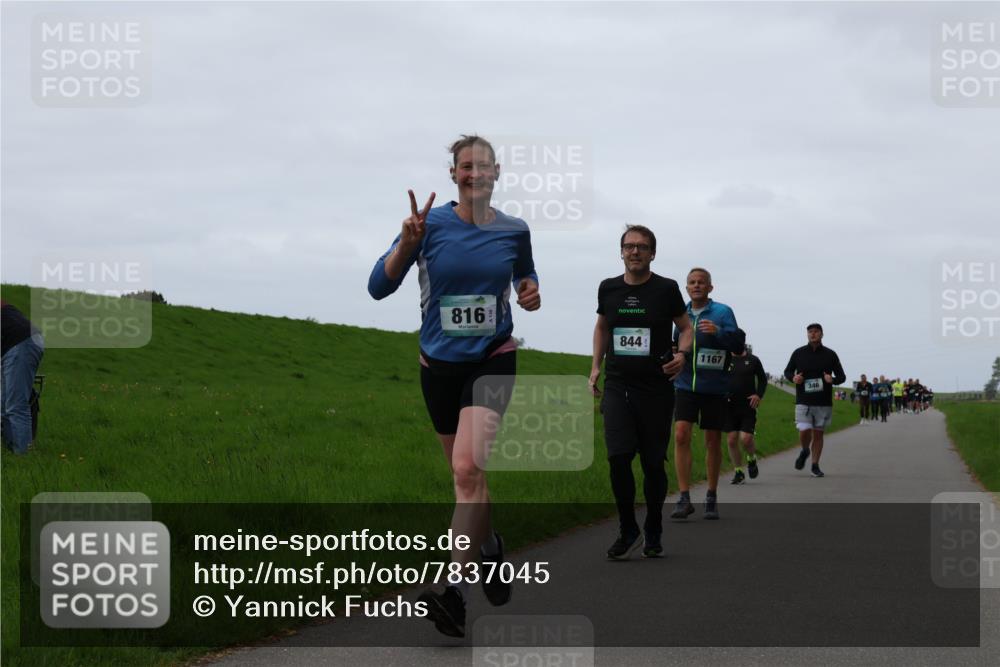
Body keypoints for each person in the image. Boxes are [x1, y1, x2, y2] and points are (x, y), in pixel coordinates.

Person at [367, 135, 540, 638]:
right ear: (454, 174)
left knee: (468, 469)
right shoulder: (428, 225)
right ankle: (488, 549)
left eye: (483, 166)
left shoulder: (514, 229)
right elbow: (379, 287)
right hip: (437, 365)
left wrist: (529, 292)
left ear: (497, 172)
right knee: (466, 480)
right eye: (465, 167)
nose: (474, 174)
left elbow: (525, 277)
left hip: (493, 358)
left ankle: (454, 595)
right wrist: (407, 242)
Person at [590, 225, 692, 559]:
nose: (635, 251)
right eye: (629, 246)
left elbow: (686, 327)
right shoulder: (608, 288)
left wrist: (681, 354)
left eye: (642, 247)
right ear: (621, 251)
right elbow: (603, 326)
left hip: (656, 389)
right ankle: (627, 527)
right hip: (618, 385)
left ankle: (653, 525)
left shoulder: (666, 289)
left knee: (651, 464)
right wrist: (595, 367)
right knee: (618, 458)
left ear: (652, 253)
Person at [669, 268, 740, 520]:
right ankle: (684, 497)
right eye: (692, 282)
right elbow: (675, 343)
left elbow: (738, 345)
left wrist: (719, 333)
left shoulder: (723, 312)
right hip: (686, 385)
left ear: (710, 287)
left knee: (712, 440)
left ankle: (711, 495)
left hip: (714, 387)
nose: (696, 286)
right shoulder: (681, 313)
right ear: (686, 288)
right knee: (680, 435)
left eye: (701, 282)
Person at [783, 323, 846, 477]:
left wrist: (832, 380)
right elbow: (788, 371)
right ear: (807, 335)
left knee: (818, 434)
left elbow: (842, 377)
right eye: (810, 332)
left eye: (816, 332)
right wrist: (794, 377)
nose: (813, 334)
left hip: (823, 401)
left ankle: (815, 465)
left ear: (822, 334)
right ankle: (805, 450)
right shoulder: (798, 353)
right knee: (804, 430)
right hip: (803, 399)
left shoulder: (830, 354)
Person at [1, 301, 44, 455]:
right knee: (4, 406)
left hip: (20, 343)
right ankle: (11, 450)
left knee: (15, 405)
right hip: (20, 342)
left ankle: (23, 456)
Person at [724, 331, 766, 485]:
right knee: (731, 439)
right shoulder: (725, 359)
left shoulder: (753, 360)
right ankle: (738, 471)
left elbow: (762, 380)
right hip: (728, 406)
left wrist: (758, 395)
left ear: (742, 341)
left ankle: (751, 459)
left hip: (748, 405)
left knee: (746, 439)